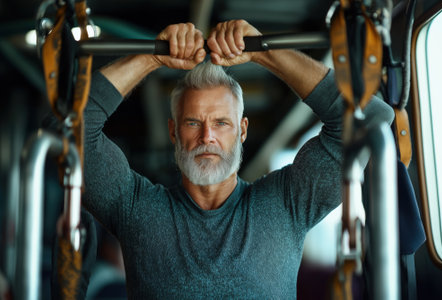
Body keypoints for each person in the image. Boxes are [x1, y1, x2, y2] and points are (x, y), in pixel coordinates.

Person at [81, 20, 393, 298]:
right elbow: (70, 127)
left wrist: (264, 52)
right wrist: (151, 58)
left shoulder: (285, 204)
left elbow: (373, 120)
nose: (207, 137)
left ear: (242, 131)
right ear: (174, 132)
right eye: (193, 123)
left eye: (221, 123)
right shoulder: (136, 210)